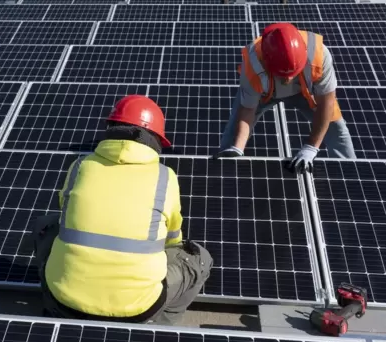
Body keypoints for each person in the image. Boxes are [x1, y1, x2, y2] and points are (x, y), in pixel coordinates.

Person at [33, 95, 213, 325]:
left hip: (63, 298)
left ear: (111, 128)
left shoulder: (79, 166)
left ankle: (53, 306)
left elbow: (65, 213)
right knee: (199, 258)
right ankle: (158, 324)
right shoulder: (165, 177)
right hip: (137, 307)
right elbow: (172, 239)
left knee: (45, 225)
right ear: (156, 139)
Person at [215, 22, 356, 171]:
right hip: (265, 93)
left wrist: (311, 147)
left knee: (337, 129)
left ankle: (350, 172)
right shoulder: (252, 65)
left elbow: (326, 104)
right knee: (232, 136)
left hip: (303, 91)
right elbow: (247, 111)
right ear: (266, 62)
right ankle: (226, 169)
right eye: (282, 75)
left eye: (292, 74)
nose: (287, 80)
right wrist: (237, 148)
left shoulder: (319, 56)